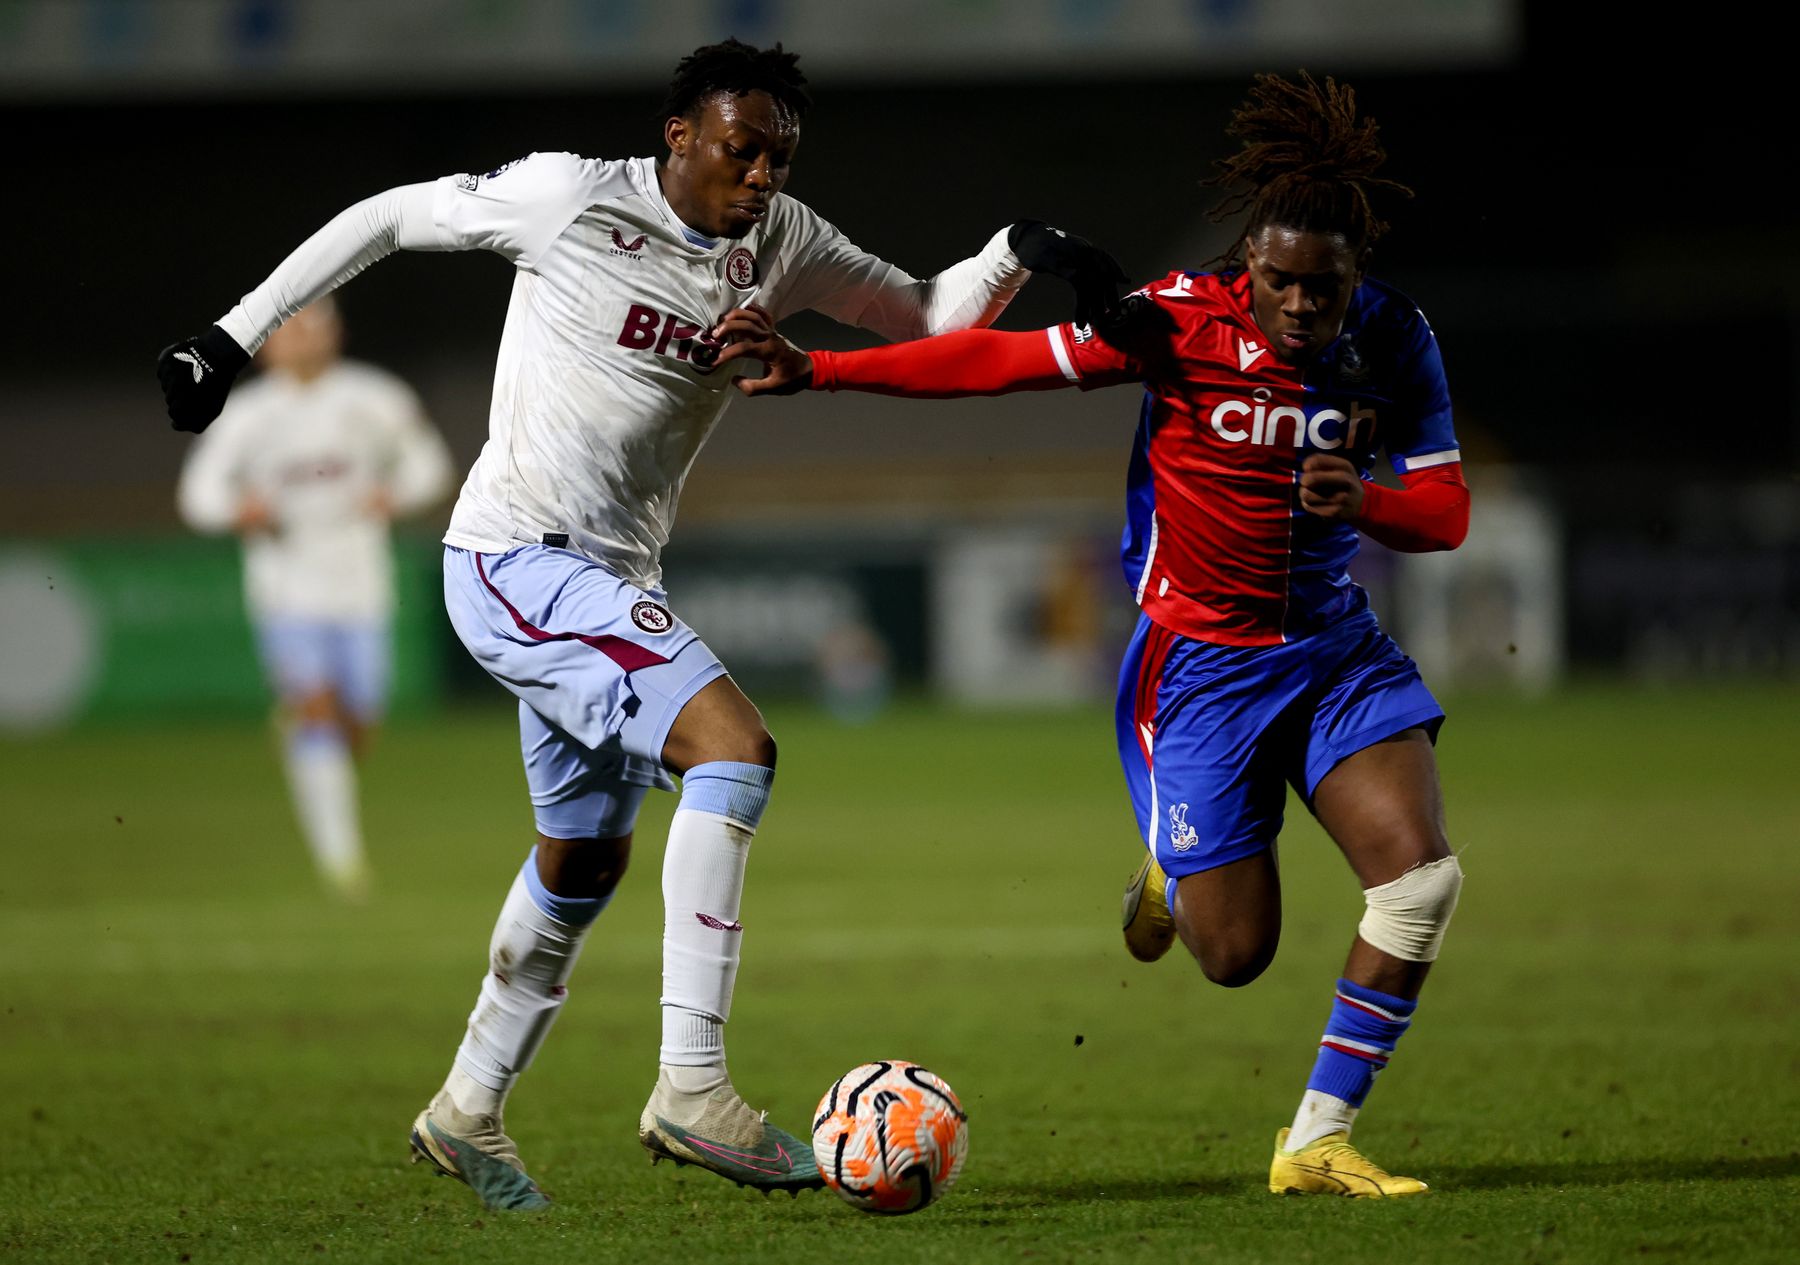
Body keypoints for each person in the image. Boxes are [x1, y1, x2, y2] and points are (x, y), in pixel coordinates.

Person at [155, 39, 1124, 1211]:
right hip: (518, 557)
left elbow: (919, 313)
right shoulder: (569, 198)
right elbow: (390, 214)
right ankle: (691, 1085)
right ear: (680, 135)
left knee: (582, 861)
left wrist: (1020, 251)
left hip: (603, 572)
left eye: (778, 155)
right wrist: (230, 334)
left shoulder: (785, 242)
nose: (761, 174)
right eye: (740, 148)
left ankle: (467, 1105)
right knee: (735, 748)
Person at [726, 71, 1470, 1198]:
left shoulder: (1396, 338)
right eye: (1279, 283)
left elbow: (1445, 511)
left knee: (1419, 883)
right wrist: (823, 369)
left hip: (1333, 653)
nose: (1302, 306)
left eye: (1324, 287)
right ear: (1248, 266)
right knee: (1235, 955)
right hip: (1201, 668)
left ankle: (1315, 1136)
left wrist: (1363, 501)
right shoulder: (1181, 318)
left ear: (1354, 274)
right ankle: (1174, 868)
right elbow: (999, 360)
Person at [176, 296, 453, 903]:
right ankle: (342, 862)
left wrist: (396, 495)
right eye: (289, 330)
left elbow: (430, 466)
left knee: (358, 723)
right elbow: (198, 495)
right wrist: (236, 510)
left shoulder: (375, 397)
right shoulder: (244, 416)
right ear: (268, 343)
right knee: (320, 716)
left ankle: (302, 734)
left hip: (360, 585)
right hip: (286, 589)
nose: (300, 340)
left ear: (335, 334)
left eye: (311, 327)